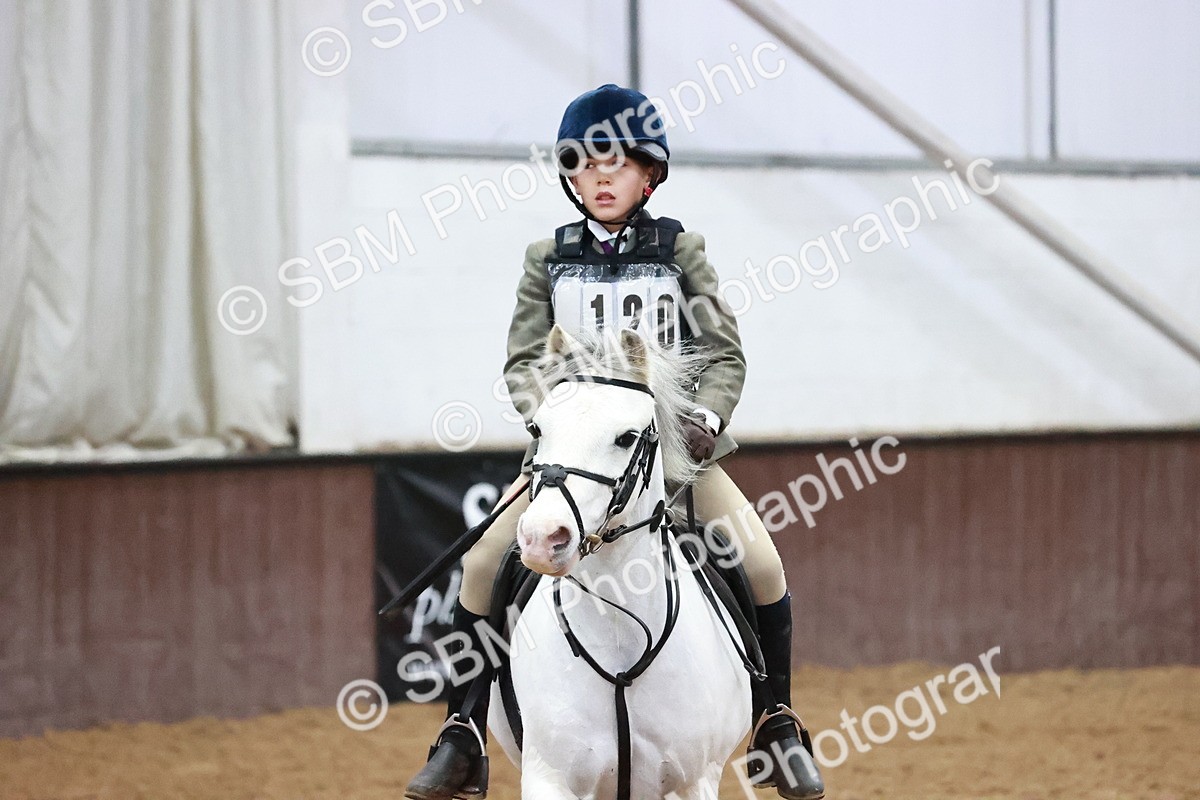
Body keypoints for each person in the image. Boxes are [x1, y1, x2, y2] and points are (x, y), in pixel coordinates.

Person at [405, 84, 824, 800]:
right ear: (569, 176)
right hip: (572, 463)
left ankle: (775, 720)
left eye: (619, 164)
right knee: (480, 563)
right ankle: (463, 731)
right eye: (588, 165)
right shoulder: (547, 257)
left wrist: (706, 420)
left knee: (763, 562)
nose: (602, 177)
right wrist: (560, 425)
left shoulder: (681, 250)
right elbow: (521, 363)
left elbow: (724, 356)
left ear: (649, 174)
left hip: (674, 458)